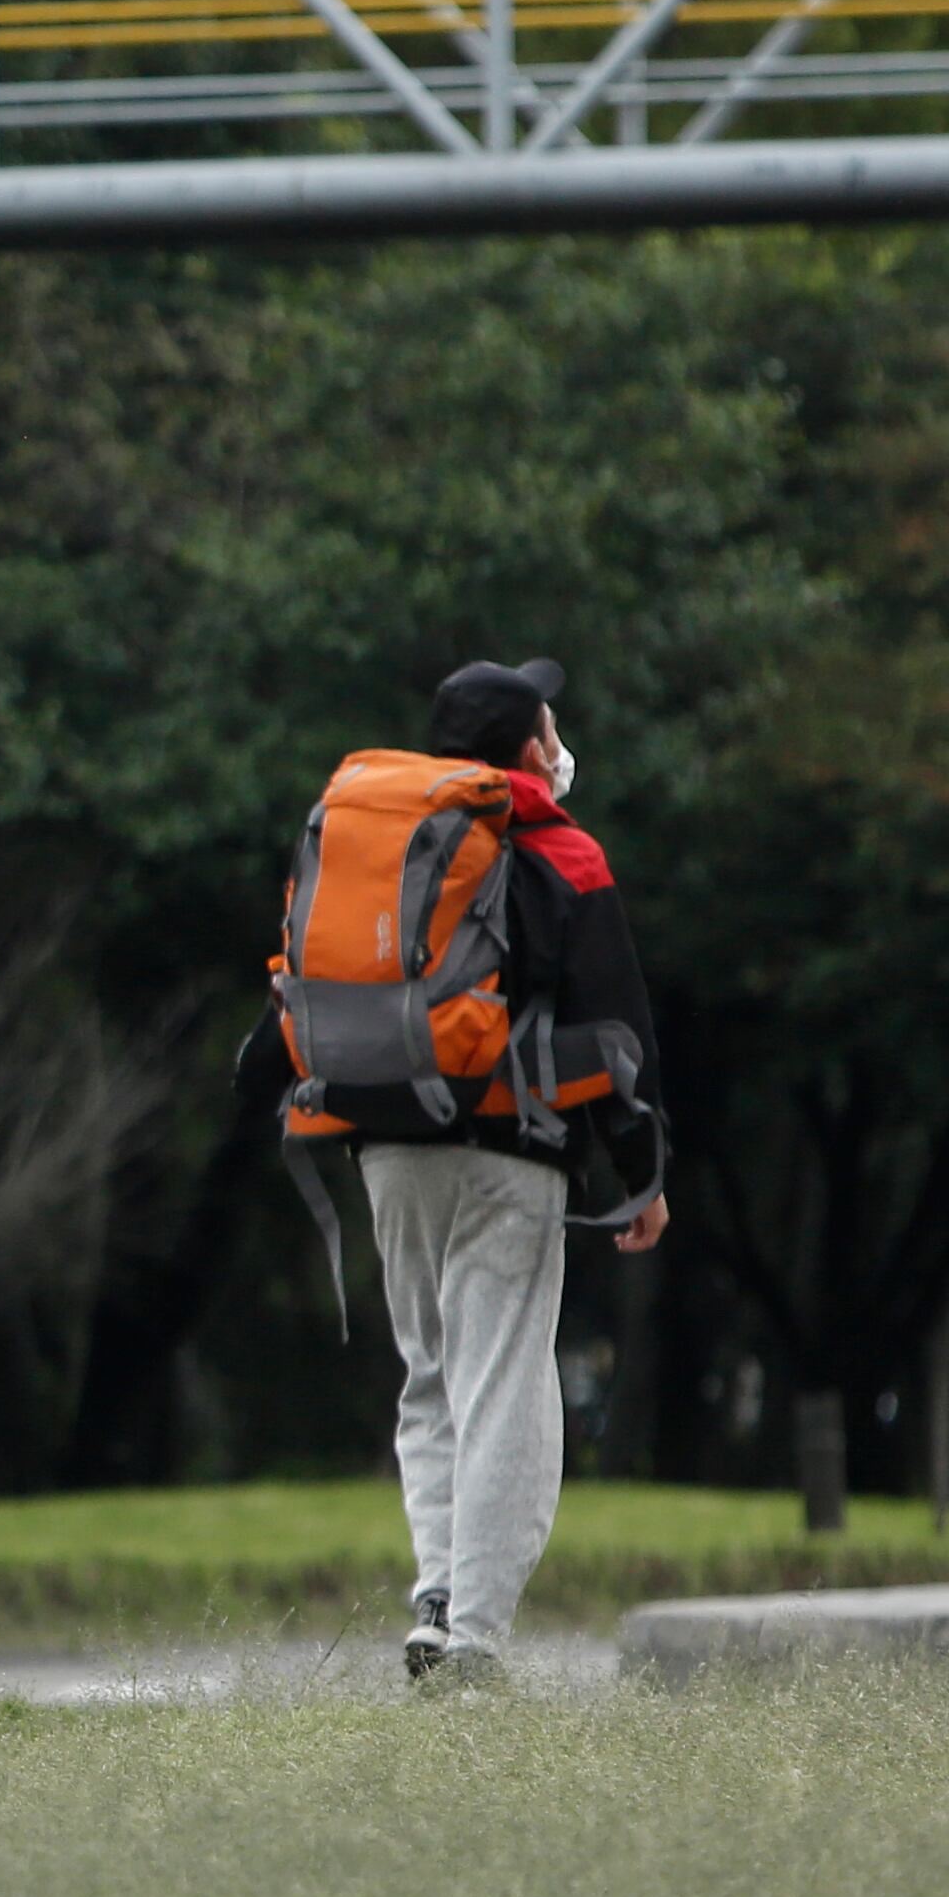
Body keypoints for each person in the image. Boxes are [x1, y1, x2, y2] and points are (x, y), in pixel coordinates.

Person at [238, 656, 670, 1688]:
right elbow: (615, 1025)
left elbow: (291, 1001)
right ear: (532, 750)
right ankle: (474, 1637)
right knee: (504, 1380)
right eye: (552, 732)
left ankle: (437, 1598)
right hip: (509, 1154)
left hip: (386, 1148)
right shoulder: (559, 851)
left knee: (428, 1379)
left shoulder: (383, 852)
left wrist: (260, 1096)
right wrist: (642, 1172)